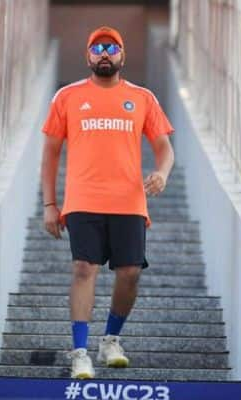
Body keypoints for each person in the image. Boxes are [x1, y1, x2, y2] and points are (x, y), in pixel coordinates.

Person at [40, 26, 175, 379]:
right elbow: (51, 153)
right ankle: (80, 351)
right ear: (88, 56)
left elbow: (164, 148)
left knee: (130, 274)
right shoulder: (67, 97)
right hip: (83, 199)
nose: (104, 53)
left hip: (129, 202)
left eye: (111, 48)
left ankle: (111, 339)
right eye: (97, 47)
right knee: (84, 268)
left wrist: (162, 173)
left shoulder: (142, 98)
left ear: (122, 56)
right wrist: (49, 204)